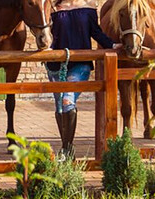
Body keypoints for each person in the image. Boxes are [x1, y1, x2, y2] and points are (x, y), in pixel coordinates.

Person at [46, 0, 118, 155]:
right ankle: (66, 149)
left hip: (80, 64)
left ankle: (67, 150)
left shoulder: (89, 7)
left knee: (67, 101)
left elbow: (96, 33)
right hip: (56, 66)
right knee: (59, 106)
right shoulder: (52, 7)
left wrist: (112, 46)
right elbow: (46, 34)